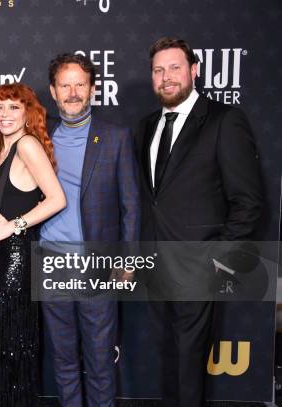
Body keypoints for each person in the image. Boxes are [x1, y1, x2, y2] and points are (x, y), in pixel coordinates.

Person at [134, 37, 262, 406]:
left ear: (194, 71)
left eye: (175, 68)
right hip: (155, 263)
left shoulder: (224, 120)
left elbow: (248, 201)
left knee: (189, 363)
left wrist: (220, 259)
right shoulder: (146, 127)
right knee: (170, 359)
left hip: (200, 264)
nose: (166, 77)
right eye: (158, 70)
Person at [40, 53, 140, 407]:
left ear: (93, 90)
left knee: (100, 360)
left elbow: (131, 204)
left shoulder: (116, 137)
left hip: (97, 264)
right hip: (51, 263)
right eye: (65, 85)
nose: (72, 92)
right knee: (64, 360)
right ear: (53, 91)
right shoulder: (38, 134)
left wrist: (128, 260)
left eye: (80, 84)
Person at [0, 83, 66, 406]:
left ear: (28, 112)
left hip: (16, 261)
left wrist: (13, 226)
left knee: (12, 346)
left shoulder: (27, 144)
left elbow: (57, 199)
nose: (6, 115)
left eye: (14, 107)